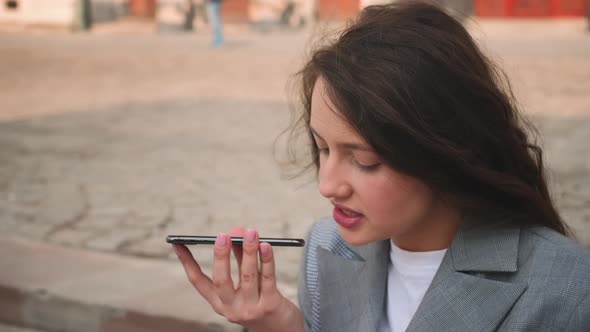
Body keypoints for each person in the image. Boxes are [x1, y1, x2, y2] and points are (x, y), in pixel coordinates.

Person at [172, 1, 590, 331]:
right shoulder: (327, 249)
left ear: (442, 153)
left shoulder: (564, 289)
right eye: (322, 149)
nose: (328, 185)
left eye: (364, 161)